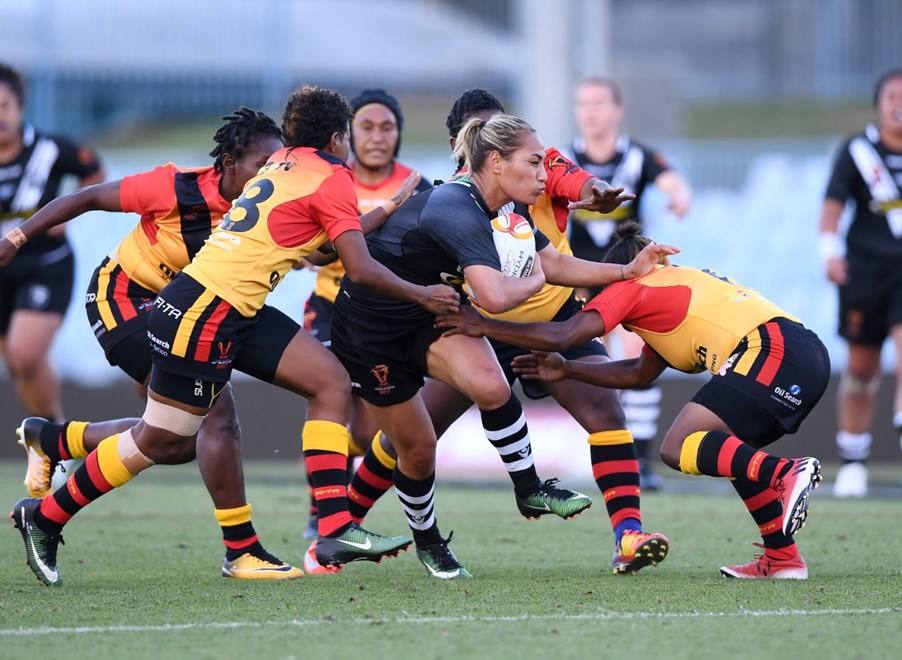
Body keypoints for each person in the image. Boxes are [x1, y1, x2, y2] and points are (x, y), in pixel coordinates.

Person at [9, 84, 459, 587]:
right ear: (337, 139)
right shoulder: (327, 175)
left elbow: (322, 250)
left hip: (226, 306)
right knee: (163, 439)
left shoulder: (282, 165)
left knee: (329, 381)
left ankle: (333, 528)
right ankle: (46, 515)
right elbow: (357, 267)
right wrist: (424, 295)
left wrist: (387, 208)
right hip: (196, 310)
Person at [337, 88, 674, 578]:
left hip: (546, 318)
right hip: (466, 321)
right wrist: (534, 278)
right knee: (413, 439)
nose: (542, 172)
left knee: (603, 410)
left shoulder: (516, 190)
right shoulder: (456, 202)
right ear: (481, 154)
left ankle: (625, 533)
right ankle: (340, 525)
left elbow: (573, 188)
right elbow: (498, 292)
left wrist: (623, 267)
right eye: (531, 161)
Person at [0, 107, 314, 579]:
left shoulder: (271, 204)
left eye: (277, 165)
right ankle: (242, 550)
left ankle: (55, 441)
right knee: (213, 413)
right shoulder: (174, 186)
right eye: (262, 164)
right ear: (229, 163)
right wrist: (18, 236)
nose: (271, 174)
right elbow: (88, 196)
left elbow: (318, 250)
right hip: (126, 301)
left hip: (204, 311)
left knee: (175, 441)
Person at [439, 221, 828, 580]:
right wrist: (568, 369)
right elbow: (638, 375)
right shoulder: (676, 287)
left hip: (771, 350)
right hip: (804, 354)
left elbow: (565, 334)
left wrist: (485, 325)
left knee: (677, 446)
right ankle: (782, 557)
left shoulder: (632, 286)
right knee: (728, 450)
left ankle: (784, 472)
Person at [300, 88, 431, 545]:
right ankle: (323, 509)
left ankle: (340, 500)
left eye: (387, 127)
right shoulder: (328, 178)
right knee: (330, 394)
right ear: (348, 134)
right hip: (330, 307)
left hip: (385, 316)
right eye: (367, 127)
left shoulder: (418, 186)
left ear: (399, 133)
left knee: (366, 429)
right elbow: (310, 253)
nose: (377, 136)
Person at [566, 76, 692, 490]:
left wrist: (679, 195)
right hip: (581, 276)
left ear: (617, 110)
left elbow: (670, 178)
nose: (590, 112)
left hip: (630, 276)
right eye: (583, 104)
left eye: (599, 103)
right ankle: (599, 447)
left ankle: (641, 457)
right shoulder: (565, 160)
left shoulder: (637, 156)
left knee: (638, 356)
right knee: (592, 362)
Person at [0, 62, 105, 423]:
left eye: (5, 106)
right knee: (16, 364)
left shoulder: (50, 149)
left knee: (26, 354)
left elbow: (94, 172)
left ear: (20, 107)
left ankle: (54, 435)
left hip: (45, 264)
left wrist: (67, 215)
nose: (0, 116)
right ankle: (44, 436)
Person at [818, 68, 902, 498]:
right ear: (879, 103)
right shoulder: (856, 151)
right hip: (865, 275)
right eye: (892, 96)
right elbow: (832, 207)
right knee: (861, 371)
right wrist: (829, 253)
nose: (899, 104)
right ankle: (853, 460)